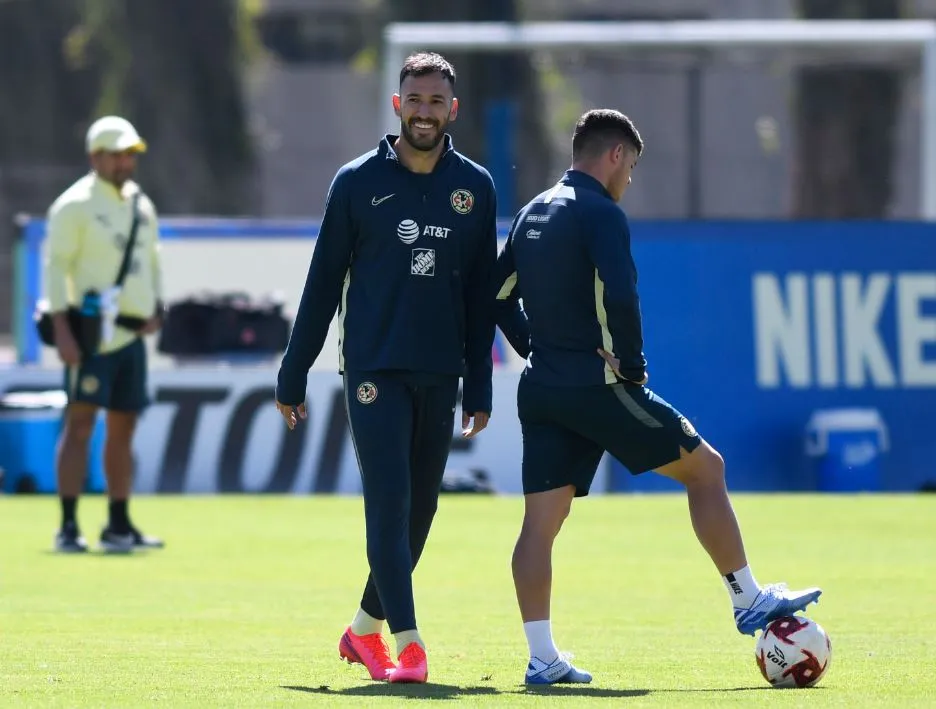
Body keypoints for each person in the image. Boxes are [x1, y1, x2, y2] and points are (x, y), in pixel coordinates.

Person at [493, 108, 822, 685]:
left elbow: (496, 296)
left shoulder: (532, 211)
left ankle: (541, 658)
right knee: (706, 469)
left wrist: (532, 347)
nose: (629, 179)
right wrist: (632, 364)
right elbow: (621, 294)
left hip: (541, 388)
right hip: (596, 386)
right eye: (631, 167)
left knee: (540, 525)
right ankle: (747, 598)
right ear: (616, 154)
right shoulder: (600, 212)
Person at [275, 52, 497, 684]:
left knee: (421, 512)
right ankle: (410, 644)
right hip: (372, 369)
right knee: (389, 502)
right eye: (414, 100)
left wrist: (479, 383)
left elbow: (480, 293)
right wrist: (293, 373)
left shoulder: (476, 187)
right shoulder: (355, 182)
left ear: (453, 110)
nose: (424, 112)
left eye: (436, 102)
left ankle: (363, 629)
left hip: (441, 370)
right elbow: (322, 284)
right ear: (397, 105)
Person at [46, 115, 166, 554]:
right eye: (117, 155)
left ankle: (118, 523)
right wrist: (62, 330)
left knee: (124, 427)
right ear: (95, 156)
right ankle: (68, 525)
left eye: (130, 155)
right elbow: (56, 269)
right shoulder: (73, 205)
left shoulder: (141, 204)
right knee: (79, 424)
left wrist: (157, 307)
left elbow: (152, 262)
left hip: (131, 336)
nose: (125, 163)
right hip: (91, 334)